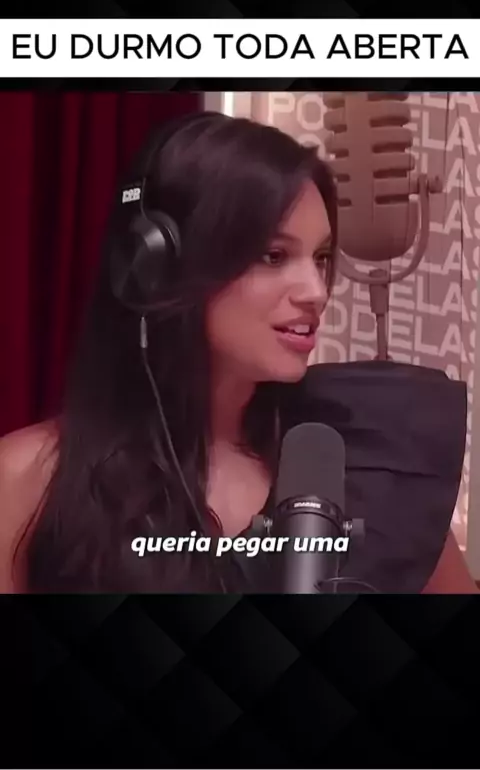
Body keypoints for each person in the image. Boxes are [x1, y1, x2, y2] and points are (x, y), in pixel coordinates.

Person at [0, 110, 477, 594]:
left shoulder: (371, 458)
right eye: (274, 256)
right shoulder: (27, 483)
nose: (315, 291)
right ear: (158, 267)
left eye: (321, 258)